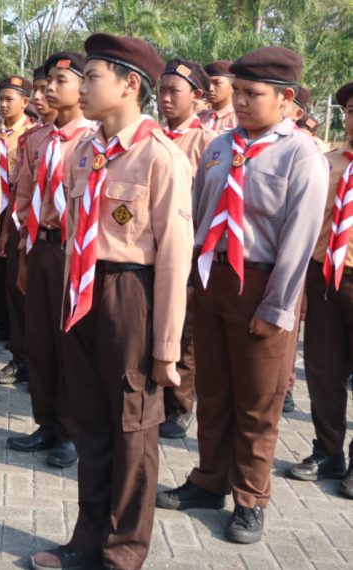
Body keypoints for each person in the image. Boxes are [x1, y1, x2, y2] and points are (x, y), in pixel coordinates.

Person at [28, 34, 192, 570]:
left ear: (129, 85)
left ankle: (122, 552)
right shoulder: (85, 151)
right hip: (83, 292)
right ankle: (87, 539)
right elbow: (76, 232)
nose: (83, 85)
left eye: (94, 76)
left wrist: (166, 348)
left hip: (131, 296)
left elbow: (174, 257)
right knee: (91, 422)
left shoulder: (159, 156)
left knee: (132, 429)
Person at [156, 46, 328, 545]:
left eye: (255, 94)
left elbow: (298, 241)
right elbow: (198, 215)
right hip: (213, 281)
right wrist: (191, 281)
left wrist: (276, 308)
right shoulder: (219, 147)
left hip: (262, 284)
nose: (243, 102)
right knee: (213, 393)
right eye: (240, 93)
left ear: (286, 99)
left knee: (257, 403)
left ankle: (251, 498)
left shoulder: (301, 155)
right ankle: (209, 481)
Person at [9, 52, 95, 468]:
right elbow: (25, 198)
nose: (50, 89)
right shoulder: (38, 139)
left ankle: (70, 431)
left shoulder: (93, 140)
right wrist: (25, 257)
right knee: (39, 342)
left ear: (83, 87)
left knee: (70, 344)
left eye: (62, 81)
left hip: (73, 251)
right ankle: (45, 422)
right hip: (41, 246)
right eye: (48, 82)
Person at [285, 81, 353, 495]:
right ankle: (328, 451)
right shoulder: (327, 164)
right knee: (323, 371)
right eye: (351, 111)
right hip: (325, 275)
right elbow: (310, 224)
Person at [156, 59, 216, 440]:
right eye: (161, 91)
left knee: (185, 329)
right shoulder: (153, 136)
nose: (165, 98)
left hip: (189, 249)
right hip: (154, 246)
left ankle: (180, 404)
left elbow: (210, 203)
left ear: (196, 96)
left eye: (173, 91)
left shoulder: (207, 143)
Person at [0, 75, 34, 386]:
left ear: (25, 103)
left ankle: (21, 347)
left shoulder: (29, 135)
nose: (3, 105)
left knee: (17, 282)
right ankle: (2, 324)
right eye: (1, 99)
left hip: (18, 212)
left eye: (9, 99)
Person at [199, 61, 238, 133]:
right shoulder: (199, 118)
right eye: (207, 83)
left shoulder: (241, 120)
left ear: (233, 86)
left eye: (217, 83)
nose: (210, 88)